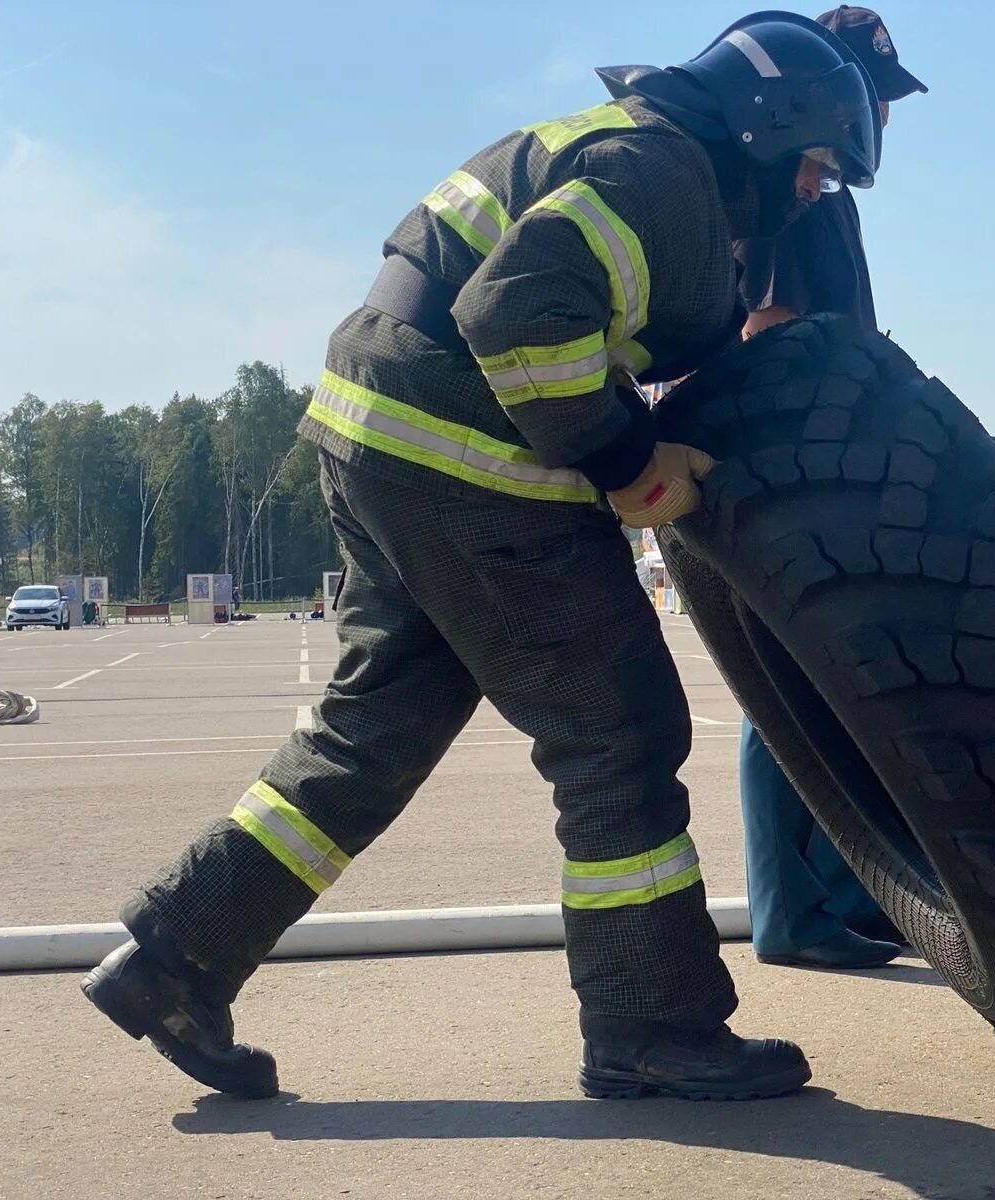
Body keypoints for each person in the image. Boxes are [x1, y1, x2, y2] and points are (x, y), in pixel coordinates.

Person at [82, 11, 881, 1104]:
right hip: (460, 450)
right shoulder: (666, 175)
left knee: (371, 733)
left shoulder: (625, 143)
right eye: (816, 166)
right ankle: (652, 1026)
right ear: (765, 126)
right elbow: (515, 313)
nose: (812, 193)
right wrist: (629, 460)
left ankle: (174, 960)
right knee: (617, 729)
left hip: (378, 429)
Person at [732, 6, 924, 971]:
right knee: (796, 691)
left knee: (838, 687)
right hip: (796, 479)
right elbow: (765, 333)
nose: (884, 119)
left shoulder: (828, 201)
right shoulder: (789, 197)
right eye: (877, 98)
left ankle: (853, 895)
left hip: (838, 470)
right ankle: (793, 910)